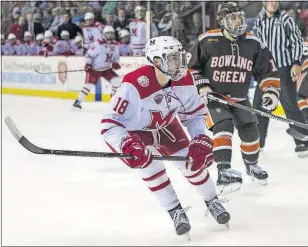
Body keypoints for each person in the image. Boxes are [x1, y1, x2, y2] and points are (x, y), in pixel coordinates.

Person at [101, 36, 230, 237]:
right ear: (157, 62)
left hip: (166, 126)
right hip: (136, 131)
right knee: (151, 167)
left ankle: (212, 200)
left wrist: (198, 137)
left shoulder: (185, 79)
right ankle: (175, 210)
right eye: (172, 58)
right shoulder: (133, 85)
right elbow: (109, 124)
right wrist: (125, 144)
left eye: (179, 57)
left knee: (192, 162)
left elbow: (194, 114)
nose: (179, 62)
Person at [187, 2, 281, 193]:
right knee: (224, 127)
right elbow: (191, 67)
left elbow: (266, 71)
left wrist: (270, 91)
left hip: (240, 98)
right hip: (214, 98)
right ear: (222, 21)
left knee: (251, 131)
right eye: (233, 18)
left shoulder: (254, 43)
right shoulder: (207, 40)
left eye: (240, 17)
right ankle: (224, 171)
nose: (238, 21)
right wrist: (202, 85)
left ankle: (251, 166)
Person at [252, 0, 308, 158]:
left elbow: (297, 42)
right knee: (260, 105)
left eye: (276, 0)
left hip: (284, 69)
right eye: (270, 0)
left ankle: (303, 143)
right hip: (266, 71)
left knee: (290, 105)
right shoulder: (259, 22)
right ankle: (258, 143)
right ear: (264, 2)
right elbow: (255, 45)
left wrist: (296, 63)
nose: (273, 3)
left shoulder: (286, 20)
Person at [73, 26, 121, 110]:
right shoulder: (98, 43)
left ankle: (113, 102)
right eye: (107, 34)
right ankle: (78, 101)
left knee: (117, 81)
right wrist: (88, 64)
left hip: (106, 68)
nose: (109, 36)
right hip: (95, 69)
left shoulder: (116, 45)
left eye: (111, 34)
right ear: (104, 34)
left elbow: (116, 57)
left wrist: (115, 62)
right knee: (89, 86)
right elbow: (89, 55)